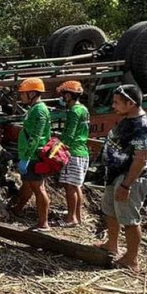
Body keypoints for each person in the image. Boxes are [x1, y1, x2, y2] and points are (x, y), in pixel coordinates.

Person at [97, 84, 147, 272]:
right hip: (115, 174)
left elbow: (141, 158)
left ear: (130, 103)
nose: (113, 106)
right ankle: (112, 245)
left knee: (129, 219)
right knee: (110, 211)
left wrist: (126, 184)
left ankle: (131, 258)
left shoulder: (143, 126)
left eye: (116, 102)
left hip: (129, 177)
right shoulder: (126, 119)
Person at [9, 78, 51, 231]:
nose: (21, 97)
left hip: (33, 156)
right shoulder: (34, 109)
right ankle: (17, 209)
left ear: (32, 93)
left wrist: (26, 157)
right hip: (29, 155)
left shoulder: (39, 110)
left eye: (23, 94)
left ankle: (43, 223)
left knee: (39, 188)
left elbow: (36, 136)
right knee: (27, 185)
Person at [57, 81, 90, 227]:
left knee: (70, 187)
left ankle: (70, 218)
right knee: (77, 186)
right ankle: (77, 217)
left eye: (63, 95)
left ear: (69, 95)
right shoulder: (84, 110)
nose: (62, 98)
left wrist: (58, 147)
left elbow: (69, 136)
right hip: (82, 152)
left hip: (73, 153)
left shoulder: (73, 112)